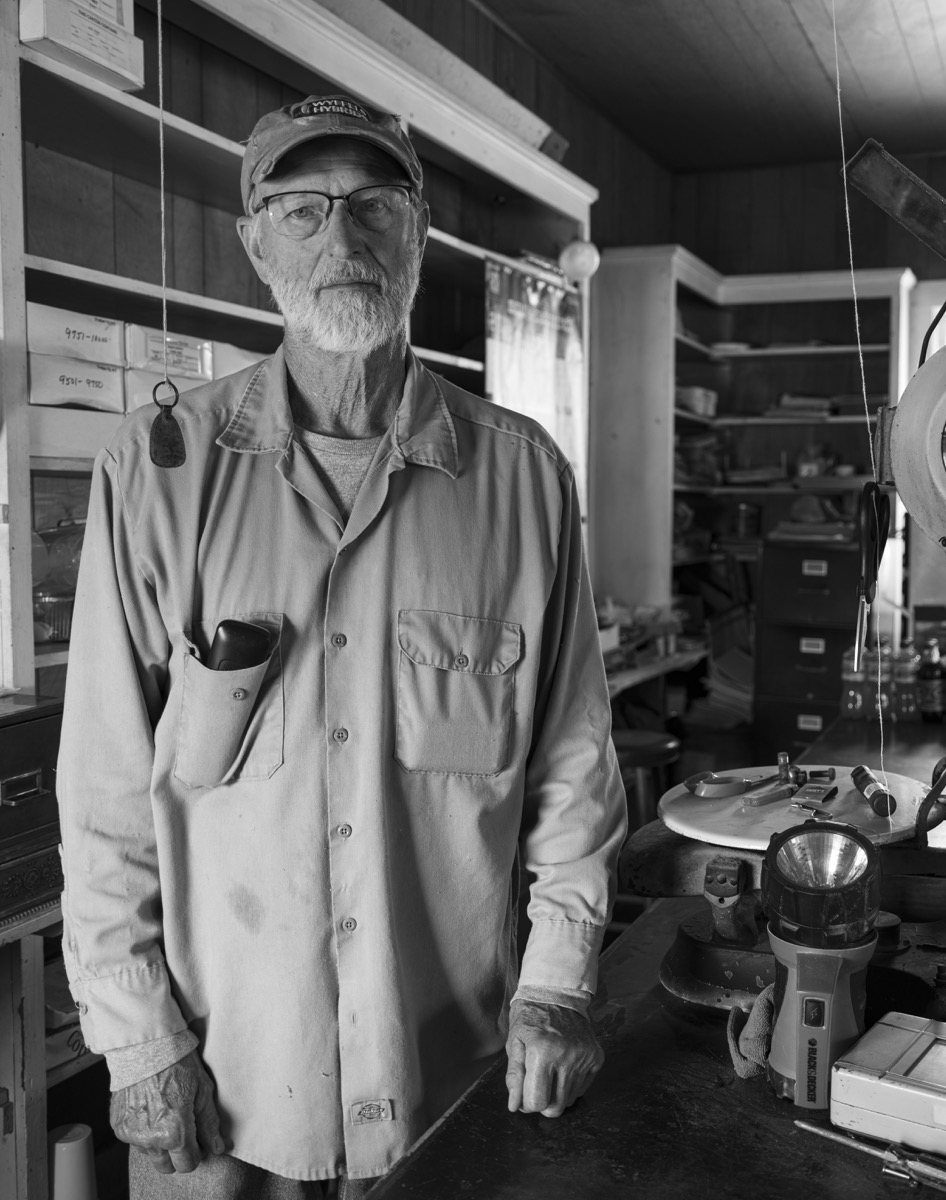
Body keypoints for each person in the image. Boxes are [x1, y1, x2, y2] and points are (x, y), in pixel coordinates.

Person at [57, 94, 626, 1199]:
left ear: (418, 235)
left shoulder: (523, 481)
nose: (343, 239)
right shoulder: (156, 476)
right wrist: (137, 1043)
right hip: (222, 1086)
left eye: (374, 206)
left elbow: (573, 768)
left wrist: (557, 987)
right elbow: (107, 791)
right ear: (254, 241)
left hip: (453, 1084)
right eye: (303, 208)